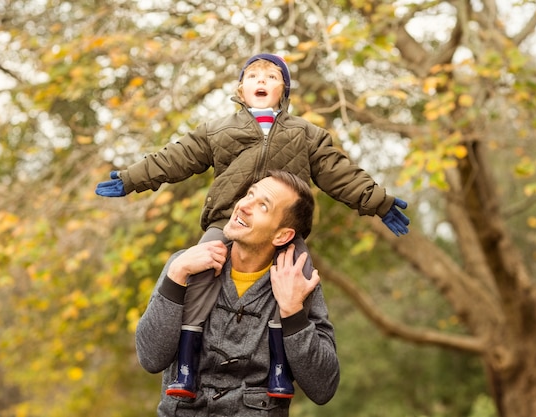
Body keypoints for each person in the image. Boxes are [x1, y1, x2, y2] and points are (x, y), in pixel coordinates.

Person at [96, 53, 409, 397]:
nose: (262, 80)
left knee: (296, 279)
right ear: (240, 89)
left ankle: (279, 367)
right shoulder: (219, 130)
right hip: (224, 222)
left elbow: (340, 173)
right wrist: (130, 179)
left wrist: (379, 202)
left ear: (284, 91)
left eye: (272, 77)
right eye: (254, 75)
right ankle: (185, 362)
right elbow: (175, 158)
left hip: (283, 229)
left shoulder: (306, 134)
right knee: (200, 279)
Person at [135, 171, 340, 417]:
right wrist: (176, 276)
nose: (243, 205)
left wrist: (292, 312)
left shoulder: (300, 284)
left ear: (282, 235)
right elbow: (150, 359)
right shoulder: (184, 265)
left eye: (263, 205)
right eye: (249, 194)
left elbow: (323, 388)